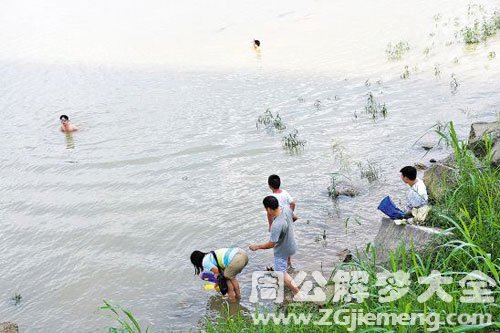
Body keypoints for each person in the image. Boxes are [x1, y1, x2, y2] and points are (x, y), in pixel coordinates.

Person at [249, 196, 301, 297]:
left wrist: (257, 246)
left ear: (268, 209)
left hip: (282, 251)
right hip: (292, 244)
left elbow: (271, 244)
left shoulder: (276, 225)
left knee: (281, 273)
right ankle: (288, 280)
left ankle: (297, 292)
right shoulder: (286, 209)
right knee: (283, 268)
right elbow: (295, 218)